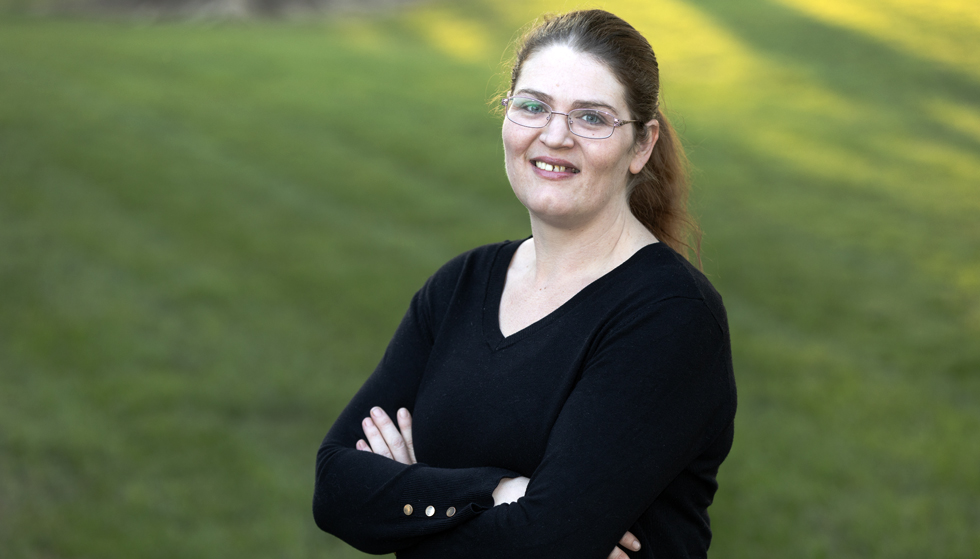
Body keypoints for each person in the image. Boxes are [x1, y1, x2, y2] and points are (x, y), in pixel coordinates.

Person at [313, 9, 736, 559]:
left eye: (591, 117)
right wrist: (496, 493)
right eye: (533, 106)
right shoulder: (462, 285)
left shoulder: (670, 317)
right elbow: (335, 486)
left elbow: (547, 543)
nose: (554, 136)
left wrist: (409, 501)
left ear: (640, 146)